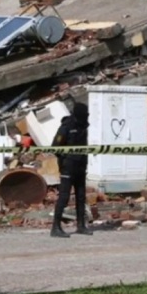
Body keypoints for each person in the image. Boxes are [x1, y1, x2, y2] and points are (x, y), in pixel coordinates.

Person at [50, 102, 91, 238]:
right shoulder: (66, 127)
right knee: (64, 197)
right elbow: (55, 147)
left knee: (81, 196)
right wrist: (66, 159)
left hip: (81, 166)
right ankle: (55, 227)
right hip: (68, 167)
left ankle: (81, 225)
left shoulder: (83, 126)